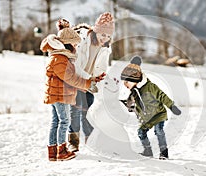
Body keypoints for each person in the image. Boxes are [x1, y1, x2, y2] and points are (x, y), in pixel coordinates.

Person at [40, 19, 105, 161]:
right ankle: (61, 151)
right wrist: (87, 84)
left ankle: (53, 152)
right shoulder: (60, 58)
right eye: (75, 43)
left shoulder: (60, 57)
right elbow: (71, 79)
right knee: (64, 121)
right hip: (59, 94)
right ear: (68, 43)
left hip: (57, 93)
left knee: (56, 121)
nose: (76, 46)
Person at [67, 12, 115, 152]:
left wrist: (101, 82)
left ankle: (90, 137)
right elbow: (75, 63)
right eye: (102, 34)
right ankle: (73, 142)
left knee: (86, 110)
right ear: (96, 31)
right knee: (75, 111)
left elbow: (102, 68)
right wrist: (86, 79)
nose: (104, 38)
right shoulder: (83, 40)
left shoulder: (106, 48)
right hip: (75, 79)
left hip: (90, 82)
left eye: (108, 36)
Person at [120, 56, 182, 159]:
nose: (125, 85)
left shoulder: (150, 87)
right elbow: (134, 105)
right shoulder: (134, 92)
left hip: (158, 114)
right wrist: (130, 106)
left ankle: (164, 152)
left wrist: (172, 106)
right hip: (147, 118)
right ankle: (148, 151)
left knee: (159, 131)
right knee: (141, 132)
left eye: (127, 82)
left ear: (135, 80)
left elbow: (162, 96)